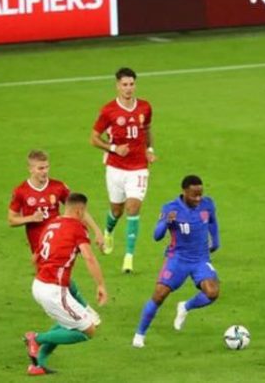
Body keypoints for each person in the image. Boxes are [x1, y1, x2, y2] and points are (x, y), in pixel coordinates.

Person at [8, 150, 103, 325]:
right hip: (39, 246)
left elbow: (78, 209)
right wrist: (30, 218)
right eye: (40, 168)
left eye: (46, 167)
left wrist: (96, 230)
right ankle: (73, 311)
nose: (45, 171)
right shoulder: (21, 191)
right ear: (30, 169)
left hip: (61, 240)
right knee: (54, 280)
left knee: (60, 277)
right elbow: (11, 219)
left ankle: (83, 310)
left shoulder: (58, 187)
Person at [23, 193, 108, 375]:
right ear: (80, 210)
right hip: (53, 290)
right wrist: (100, 285)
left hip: (39, 284)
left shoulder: (51, 224)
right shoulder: (77, 228)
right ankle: (36, 339)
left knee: (66, 323)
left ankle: (38, 365)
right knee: (88, 331)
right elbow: (89, 257)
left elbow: (35, 258)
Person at [132, 175, 220, 348]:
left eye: (200, 194)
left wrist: (216, 241)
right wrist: (166, 222)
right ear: (184, 192)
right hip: (178, 259)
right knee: (159, 295)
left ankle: (185, 306)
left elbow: (212, 222)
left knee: (212, 293)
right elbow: (157, 236)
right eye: (194, 195)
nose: (198, 198)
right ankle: (139, 334)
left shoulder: (207, 204)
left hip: (200, 259)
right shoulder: (171, 208)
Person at [90, 67, 156, 273]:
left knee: (133, 207)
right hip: (116, 168)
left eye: (131, 84)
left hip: (139, 168)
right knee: (116, 210)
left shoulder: (145, 107)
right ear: (117, 86)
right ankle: (108, 231)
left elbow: (147, 130)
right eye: (124, 84)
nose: (128, 88)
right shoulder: (108, 110)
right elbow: (93, 138)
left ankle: (129, 257)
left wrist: (149, 150)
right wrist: (114, 148)